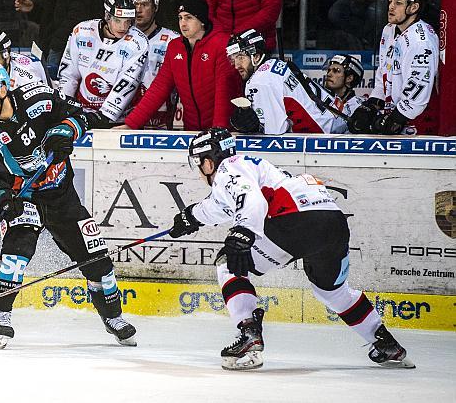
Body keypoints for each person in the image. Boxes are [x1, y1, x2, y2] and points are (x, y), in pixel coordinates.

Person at [169, 128, 414, 370]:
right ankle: (385, 342)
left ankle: (249, 332)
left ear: (209, 162)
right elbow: (223, 204)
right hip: (332, 221)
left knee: (228, 263)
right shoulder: (253, 167)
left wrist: (242, 233)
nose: (200, 172)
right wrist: (190, 216)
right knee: (332, 292)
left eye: (199, 164)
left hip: (293, 221)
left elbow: (249, 199)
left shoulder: (228, 169)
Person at [0, 62, 137, 349]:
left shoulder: (40, 99)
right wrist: (3, 198)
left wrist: (65, 132)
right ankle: (0, 315)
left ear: (3, 89)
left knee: (98, 260)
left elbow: (80, 116)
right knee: (15, 255)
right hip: (26, 199)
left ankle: (113, 316)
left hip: (61, 195)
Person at [120, 0, 239, 131]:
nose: (183, 23)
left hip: (225, 130)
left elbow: (223, 92)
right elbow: (159, 88)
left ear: (202, 21)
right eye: (180, 18)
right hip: (192, 130)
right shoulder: (175, 47)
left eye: (189, 18)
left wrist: (219, 130)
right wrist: (131, 124)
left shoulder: (221, 44)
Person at [349, 0, 439, 136]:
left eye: (398, 2)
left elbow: (419, 88)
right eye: (390, 0)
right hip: (397, 113)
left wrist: (397, 118)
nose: (390, 6)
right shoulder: (389, 30)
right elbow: (384, 73)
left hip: (420, 123)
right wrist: (372, 104)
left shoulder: (421, 42)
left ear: (413, 7)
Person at [227, 29, 348, 134]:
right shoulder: (276, 64)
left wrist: (255, 127)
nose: (237, 65)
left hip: (323, 135)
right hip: (338, 125)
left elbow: (274, 132)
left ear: (256, 56)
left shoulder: (260, 81)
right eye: (233, 59)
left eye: (241, 57)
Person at [57, 0, 149, 129]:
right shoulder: (82, 31)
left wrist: (104, 116)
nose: (123, 27)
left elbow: (128, 82)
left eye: (128, 21)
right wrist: (64, 107)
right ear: (107, 16)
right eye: (118, 20)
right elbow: (68, 74)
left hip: (119, 120)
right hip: (81, 114)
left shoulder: (138, 42)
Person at [129, 0, 181, 129]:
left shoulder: (173, 40)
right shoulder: (120, 37)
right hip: (124, 116)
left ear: (155, 7)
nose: (138, 10)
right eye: (134, 4)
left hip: (161, 118)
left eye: (144, 4)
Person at [323, 54, 367, 119]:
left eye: (336, 71)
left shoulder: (359, 107)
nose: (329, 74)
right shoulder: (320, 100)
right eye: (329, 70)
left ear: (349, 78)